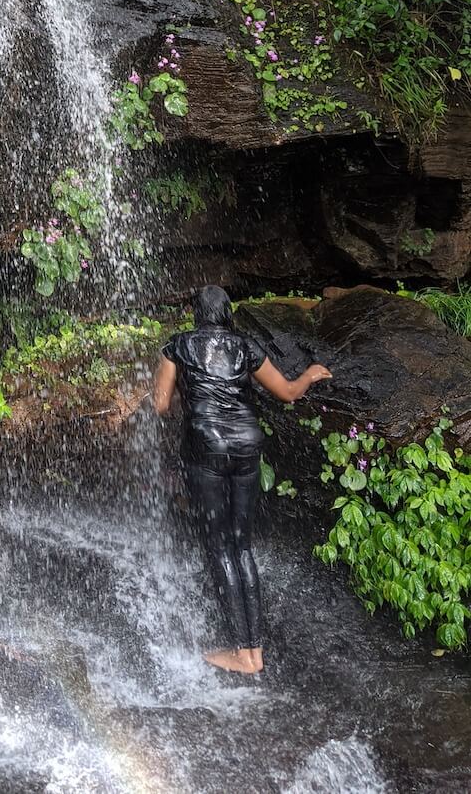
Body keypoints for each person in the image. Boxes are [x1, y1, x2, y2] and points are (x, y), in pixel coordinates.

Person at [152, 285, 332, 675]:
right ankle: (255, 652)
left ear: (194, 311)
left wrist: (186, 391)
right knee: (242, 546)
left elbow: (162, 405)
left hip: (207, 449)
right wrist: (309, 376)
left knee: (219, 547)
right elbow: (286, 392)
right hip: (248, 445)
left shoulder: (177, 347)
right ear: (226, 313)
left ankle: (240, 653)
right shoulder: (245, 346)